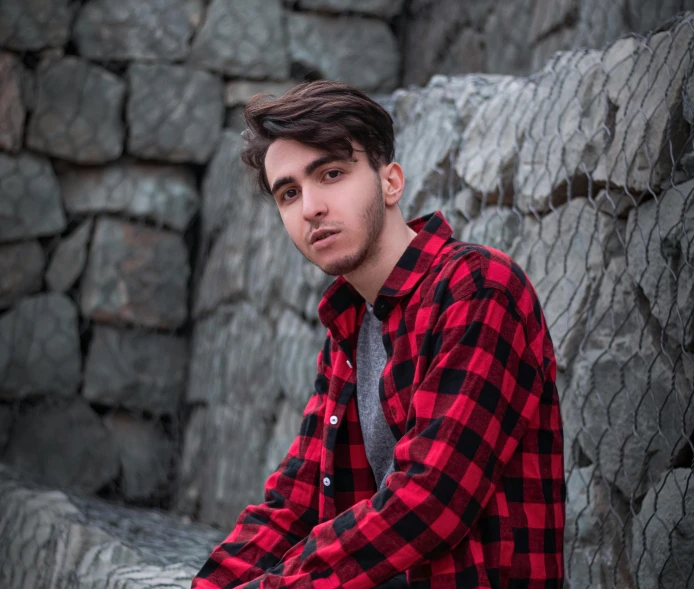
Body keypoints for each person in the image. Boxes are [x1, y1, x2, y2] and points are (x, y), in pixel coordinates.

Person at [191, 80, 565, 589]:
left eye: (332, 173)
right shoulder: (350, 328)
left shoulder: (477, 289)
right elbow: (295, 502)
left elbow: (432, 499)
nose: (310, 208)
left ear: (390, 183)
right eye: (290, 193)